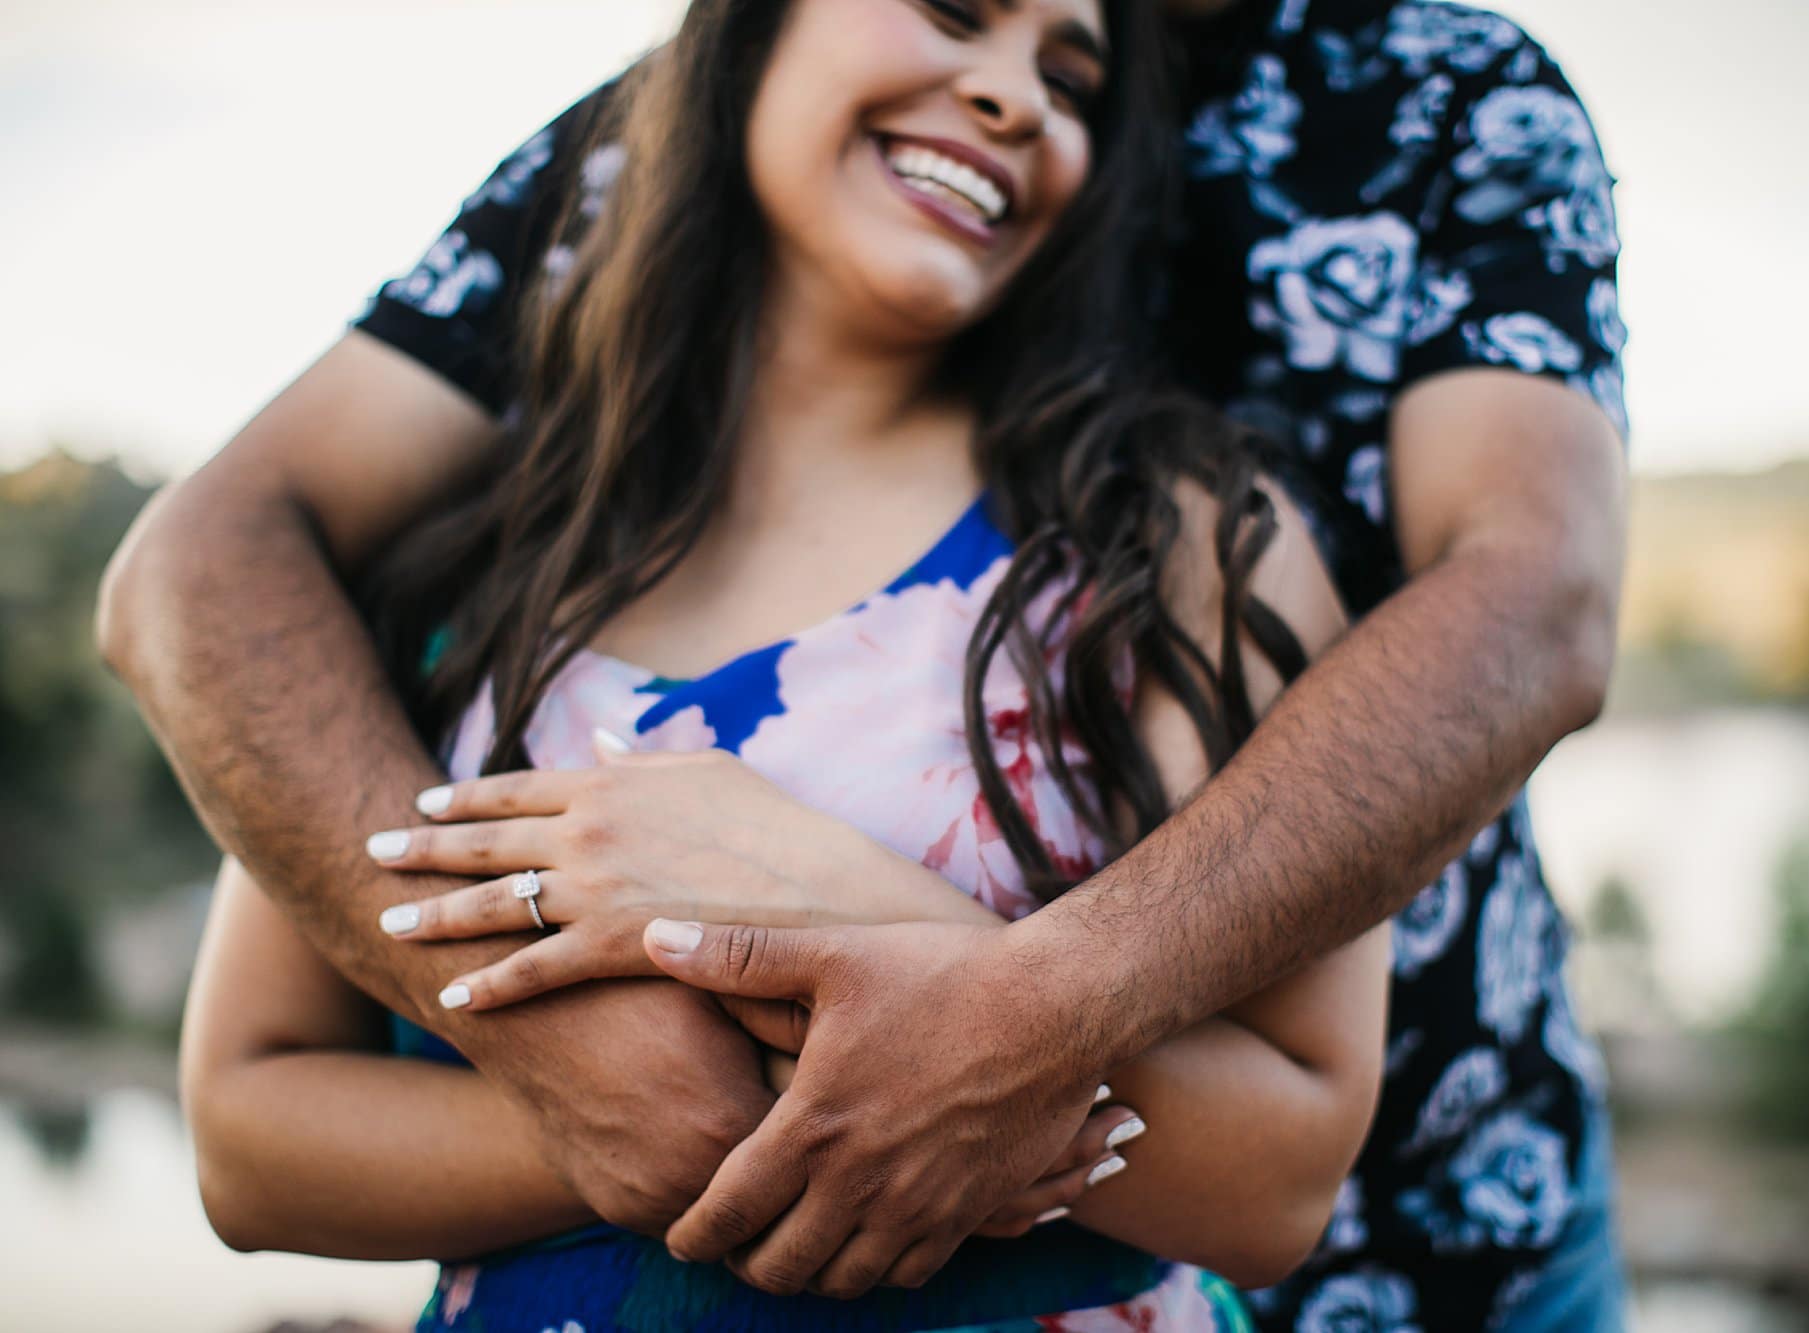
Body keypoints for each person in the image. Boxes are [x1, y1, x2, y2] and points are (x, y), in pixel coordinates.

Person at [100, 0, 1630, 1328]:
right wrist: (594, 1086)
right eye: (948, 6)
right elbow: (252, 1113)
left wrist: (902, 948)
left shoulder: (1204, 512)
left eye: (1075, 80)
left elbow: (1536, 601)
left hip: (1440, 1211)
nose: (1016, 92)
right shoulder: (490, 543)